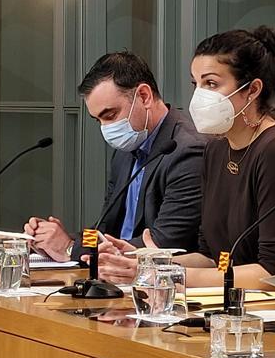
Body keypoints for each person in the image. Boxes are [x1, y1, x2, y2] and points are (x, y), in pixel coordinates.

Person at [97, 27, 275, 287]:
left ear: (252, 90)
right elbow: (212, 257)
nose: (199, 96)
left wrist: (174, 276)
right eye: (196, 84)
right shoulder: (217, 149)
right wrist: (146, 262)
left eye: (211, 84)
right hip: (243, 300)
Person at [25, 51, 205, 260]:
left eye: (110, 115)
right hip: (116, 276)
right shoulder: (125, 152)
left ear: (144, 96)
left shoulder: (187, 151)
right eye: (98, 120)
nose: (106, 128)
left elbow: (163, 242)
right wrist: (57, 240)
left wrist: (70, 248)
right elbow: (104, 230)